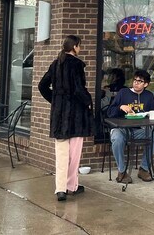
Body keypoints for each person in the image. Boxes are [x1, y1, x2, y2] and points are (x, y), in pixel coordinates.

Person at [38, 34, 93, 202]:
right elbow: (78, 88)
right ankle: (71, 186)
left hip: (59, 115)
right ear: (75, 46)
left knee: (61, 154)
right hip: (75, 114)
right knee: (74, 154)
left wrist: (55, 100)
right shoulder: (76, 65)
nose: (80, 48)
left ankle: (60, 189)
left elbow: (42, 85)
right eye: (80, 46)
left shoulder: (56, 64)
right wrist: (88, 102)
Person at [107, 69, 154, 184]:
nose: (136, 83)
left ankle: (144, 169)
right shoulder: (123, 93)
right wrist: (120, 107)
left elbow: (151, 114)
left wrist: (148, 115)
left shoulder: (149, 96)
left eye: (139, 81)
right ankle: (122, 171)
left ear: (146, 84)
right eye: (135, 80)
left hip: (140, 130)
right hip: (121, 130)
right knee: (116, 138)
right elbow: (109, 112)